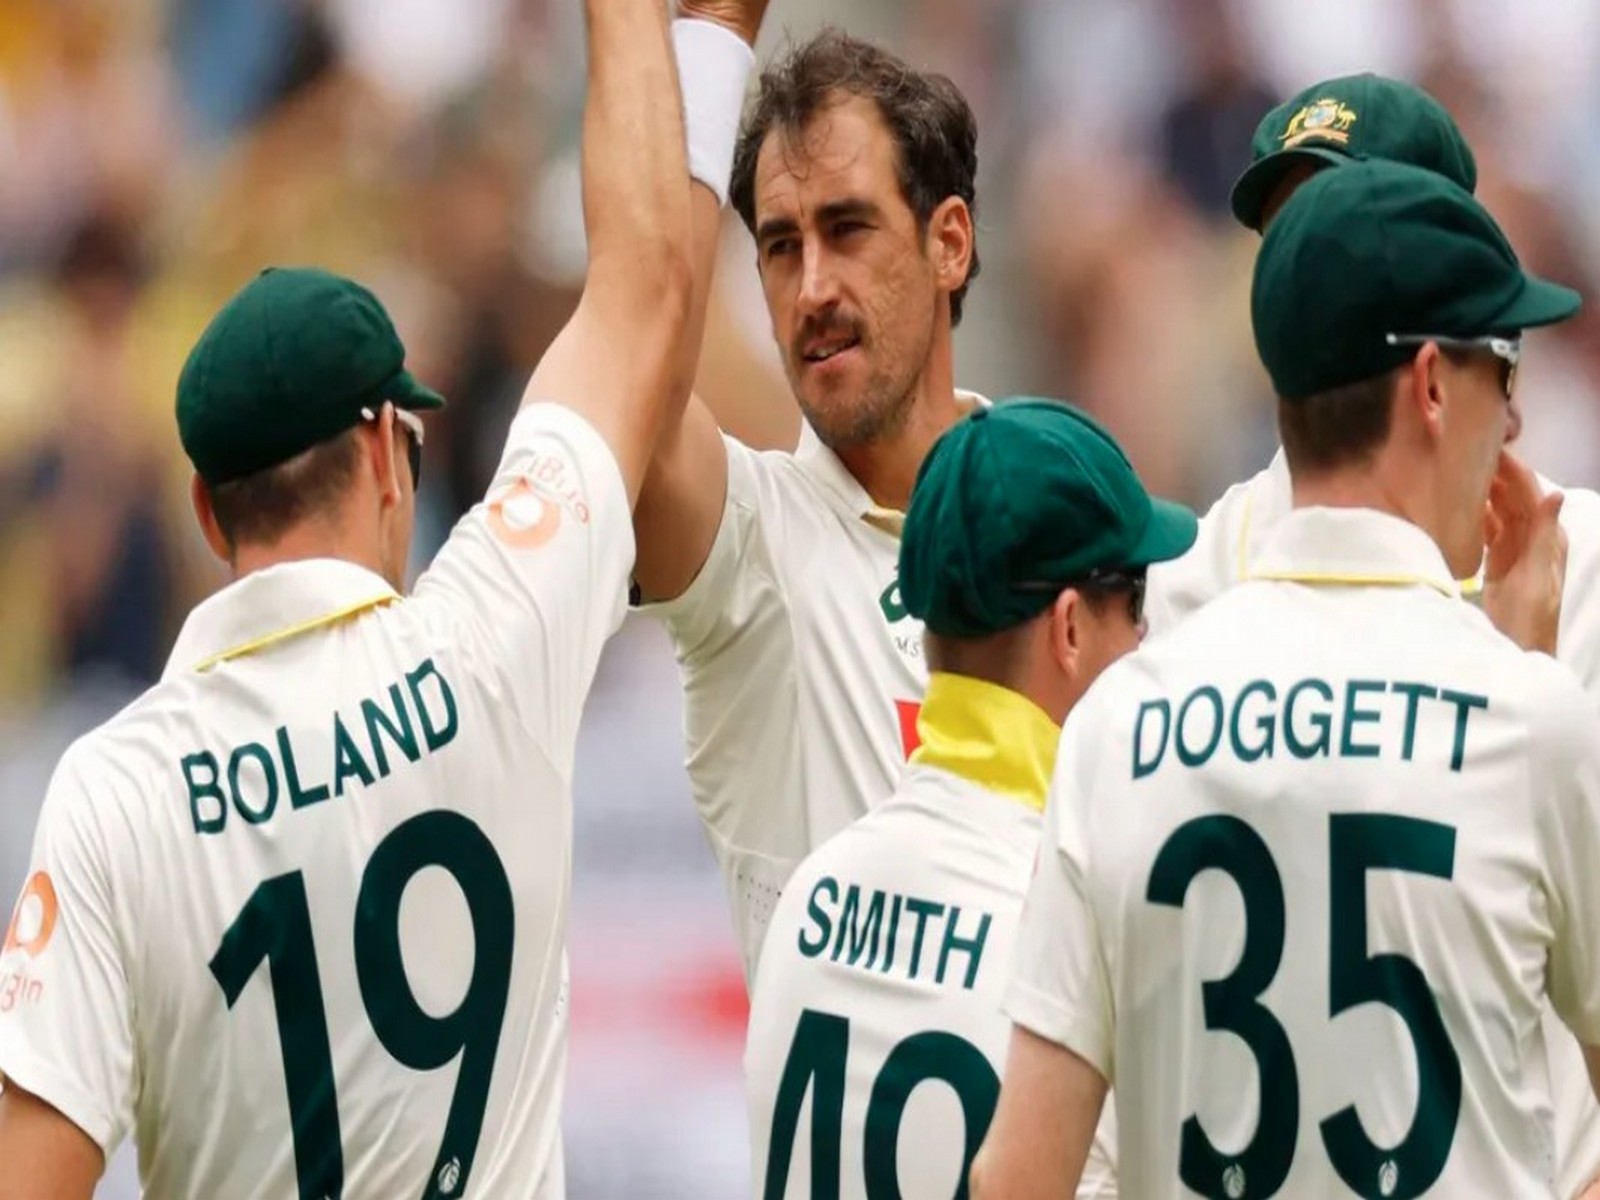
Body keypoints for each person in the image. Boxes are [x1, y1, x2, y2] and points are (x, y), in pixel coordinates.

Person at [0, 0, 770, 1192]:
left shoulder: (113, 790)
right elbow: (645, 290)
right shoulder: (491, 636)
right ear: (384, 452)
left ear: (208, 513)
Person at [972, 159, 1600, 1198]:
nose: (1516, 420)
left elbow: (1016, 1180)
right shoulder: (1533, 721)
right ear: (1434, 385)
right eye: (1504, 366)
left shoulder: (1118, 723)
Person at [1145, 71, 1600, 1199]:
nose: (1316, 263)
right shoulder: (1192, 583)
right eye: (1287, 229)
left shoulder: (1586, 562)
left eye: (1346, 218)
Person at [746, 398, 1195, 1198]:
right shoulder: (1087, 933)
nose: (1142, 641)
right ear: (1068, 628)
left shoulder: (808, 894)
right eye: (1133, 602)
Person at [632, 28, 985, 981]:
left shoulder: (1077, 527)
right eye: (782, 248)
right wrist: (708, 39)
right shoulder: (753, 552)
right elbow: (632, 364)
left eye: (849, 227)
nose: (813, 288)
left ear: (949, 241)